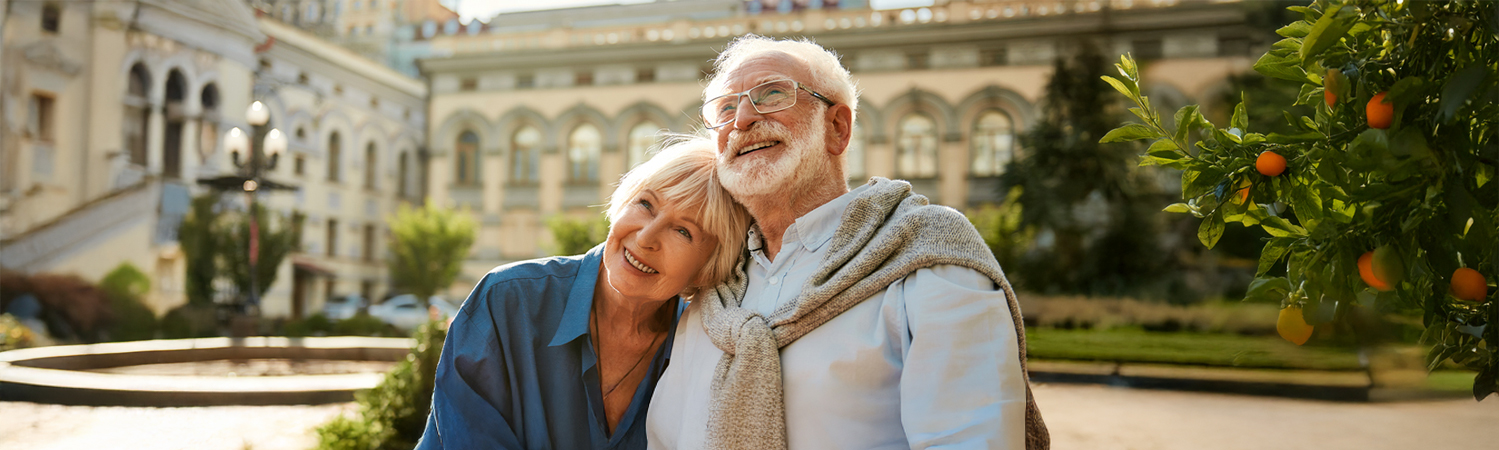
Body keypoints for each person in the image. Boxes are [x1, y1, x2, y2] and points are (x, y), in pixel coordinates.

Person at [647, 35, 1049, 450]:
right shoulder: (711, 288)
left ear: (837, 127)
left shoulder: (929, 255)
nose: (742, 119)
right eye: (726, 108)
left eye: (772, 95)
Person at [415, 135, 752, 449]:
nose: (646, 237)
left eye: (683, 231)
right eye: (646, 204)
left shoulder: (701, 345)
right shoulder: (507, 300)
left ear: (710, 264)